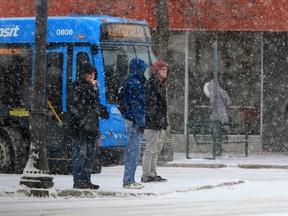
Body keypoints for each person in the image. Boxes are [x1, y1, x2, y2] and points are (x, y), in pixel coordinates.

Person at [68, 62, 109, 189]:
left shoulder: (92, 88)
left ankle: (86, 179)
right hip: (81, 128)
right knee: (81, 154)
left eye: (93, 73)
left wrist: (102, 110)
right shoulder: (78, 86)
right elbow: (78, 107)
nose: (92, 76)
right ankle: (79, 180)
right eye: (90, 73)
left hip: (91, 127)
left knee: (89, 155)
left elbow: (94, 104)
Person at [141, 60, 169, 183]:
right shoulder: (152, 84)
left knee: (156, 149)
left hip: (159, 121)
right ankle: (146, 174)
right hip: (153, 122)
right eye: (163, 69)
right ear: (157, 71)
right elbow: (151, 104)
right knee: (151, 149)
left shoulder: (160, 85)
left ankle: (152, 173)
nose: (166, 72)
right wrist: (154, 118)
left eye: (166, 70)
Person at [122, 58, 148, 189]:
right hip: (134, 122)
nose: (144, 72)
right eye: (143, 70)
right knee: (133, 152)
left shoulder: (131, 81)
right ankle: (128, 180)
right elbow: (137, 105)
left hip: (131, 120)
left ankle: (130, 178)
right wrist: (140, 121)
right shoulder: (135, 83)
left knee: (133, 151)